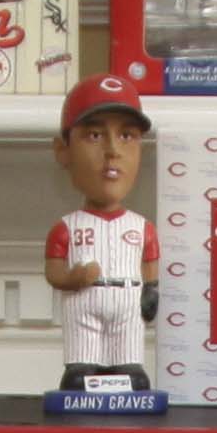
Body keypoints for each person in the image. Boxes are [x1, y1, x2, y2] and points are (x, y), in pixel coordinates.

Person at [45, 73, 160, 384]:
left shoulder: (141, 226)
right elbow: (54, 273)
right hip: (84, 302)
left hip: (127, 303)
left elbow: (150, 266)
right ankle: (83, 366)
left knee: (131, 372)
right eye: (94, 136)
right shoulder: (66, 228)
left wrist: (152, 290)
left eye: (127, 136)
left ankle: (128, 367)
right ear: (63, 151)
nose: (113, 150)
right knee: (81, 372)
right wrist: (72, 278)